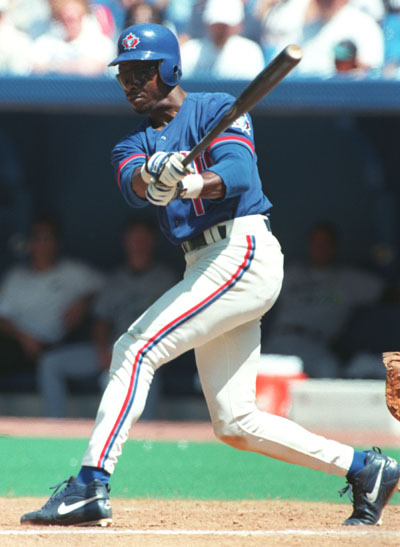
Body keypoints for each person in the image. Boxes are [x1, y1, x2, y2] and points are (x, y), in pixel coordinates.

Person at [20, 23, 400, 528]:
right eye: (124, 74)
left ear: (170, 69)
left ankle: (91, 484)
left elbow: (238, 175)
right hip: (201, 262)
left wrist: (192, 181)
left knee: (134, 348)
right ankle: (365, 468)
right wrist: (156, 176)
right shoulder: (131, 143)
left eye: (142, 71)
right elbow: (134, 184)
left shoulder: (216, 109)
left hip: (242, 249)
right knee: (234, 421)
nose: (131, 82)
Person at [38, 217, 178, 418]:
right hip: (114, 349)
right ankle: (54, 427)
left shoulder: (166, 279)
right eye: (133, 239)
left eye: (143, 239)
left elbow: (173, 324)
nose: (138, 244)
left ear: (152, 241)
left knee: (143, 372)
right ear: (126, 242)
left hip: (148, 353)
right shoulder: (116, 279)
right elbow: (101, 321)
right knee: (51, 363)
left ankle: (146, 433)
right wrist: (102, 351)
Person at [261, 222, 384, 378]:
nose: (320, 248)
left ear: (335, 246)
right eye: (316, 243)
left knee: (330, 374)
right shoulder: (292, 274)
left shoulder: (349, 279)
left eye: (325, 243)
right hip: (279, 339)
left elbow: (389, 293)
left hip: (315, 344)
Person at [0, 216, 105, 382]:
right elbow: (2, 318)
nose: (43, 244)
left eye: (48, 238)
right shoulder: (15, 277)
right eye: (38, 238)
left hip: (55, 345)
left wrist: (83, 303)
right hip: (18, 345)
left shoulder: (73, 272)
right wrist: (23, 337)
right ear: (30, 243)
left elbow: (107, 287)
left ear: (57, 243)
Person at [180, 0, 265, 79]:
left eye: (225, 26)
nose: (220, 29)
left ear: (238, 25)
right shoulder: (189, 51)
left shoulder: (250, 53)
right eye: (217, 24)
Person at [30, 0, 115, 75]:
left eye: (73, 18)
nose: (69, 23)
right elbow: (36, 66)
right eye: (65, 18)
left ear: (82, 15)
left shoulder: (100, 42)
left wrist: (58, 66)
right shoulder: (47, 41)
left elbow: (100, 67)